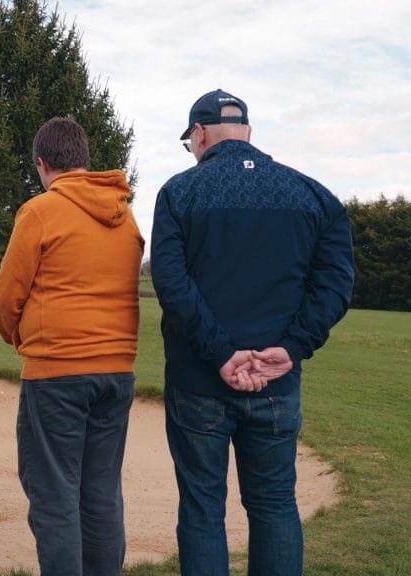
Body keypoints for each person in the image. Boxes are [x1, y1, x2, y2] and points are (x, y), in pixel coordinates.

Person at [152, 89, 355, 576]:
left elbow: (172, 285)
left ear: (199, 134)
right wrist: (290, 348)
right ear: (248, 133)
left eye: (191, 142)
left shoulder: (179, 193)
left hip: (199, 381)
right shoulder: (313, 196)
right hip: (276, 383)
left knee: (203, 511)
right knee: (274, 505)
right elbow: (335, 285)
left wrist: (222, 352)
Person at [0, 117, 144, 576]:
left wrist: (22, 340)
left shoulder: (40, 211)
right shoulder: (125, 212)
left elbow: (6, 297)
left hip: (57, 374)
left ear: (42, 164)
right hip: (117, 372)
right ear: (83, 159)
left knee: (55, 495)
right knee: (100, 494)